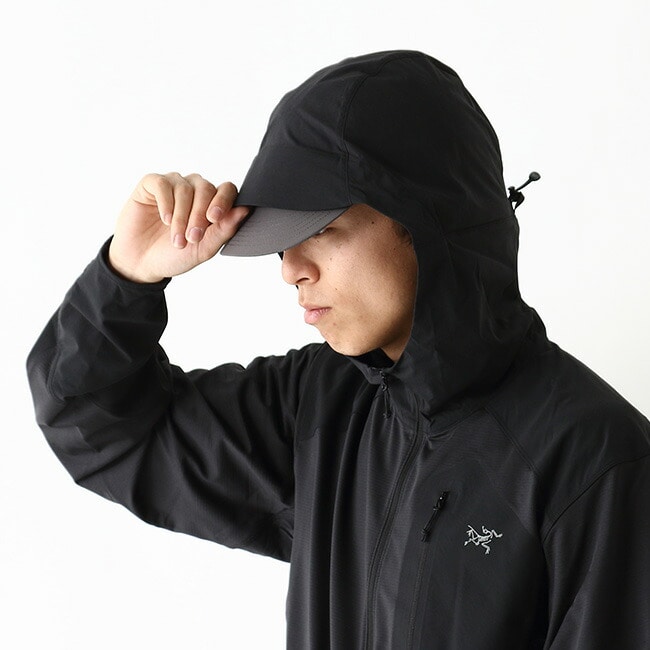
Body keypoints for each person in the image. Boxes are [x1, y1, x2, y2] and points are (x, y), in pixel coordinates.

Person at [27, 51, 650, 649]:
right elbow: (100, 429)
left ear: (429, 222)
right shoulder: (320, 404)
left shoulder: (597, 464)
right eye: (282, 239)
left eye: (322, 228)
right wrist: (127, 277)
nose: (289, 268)